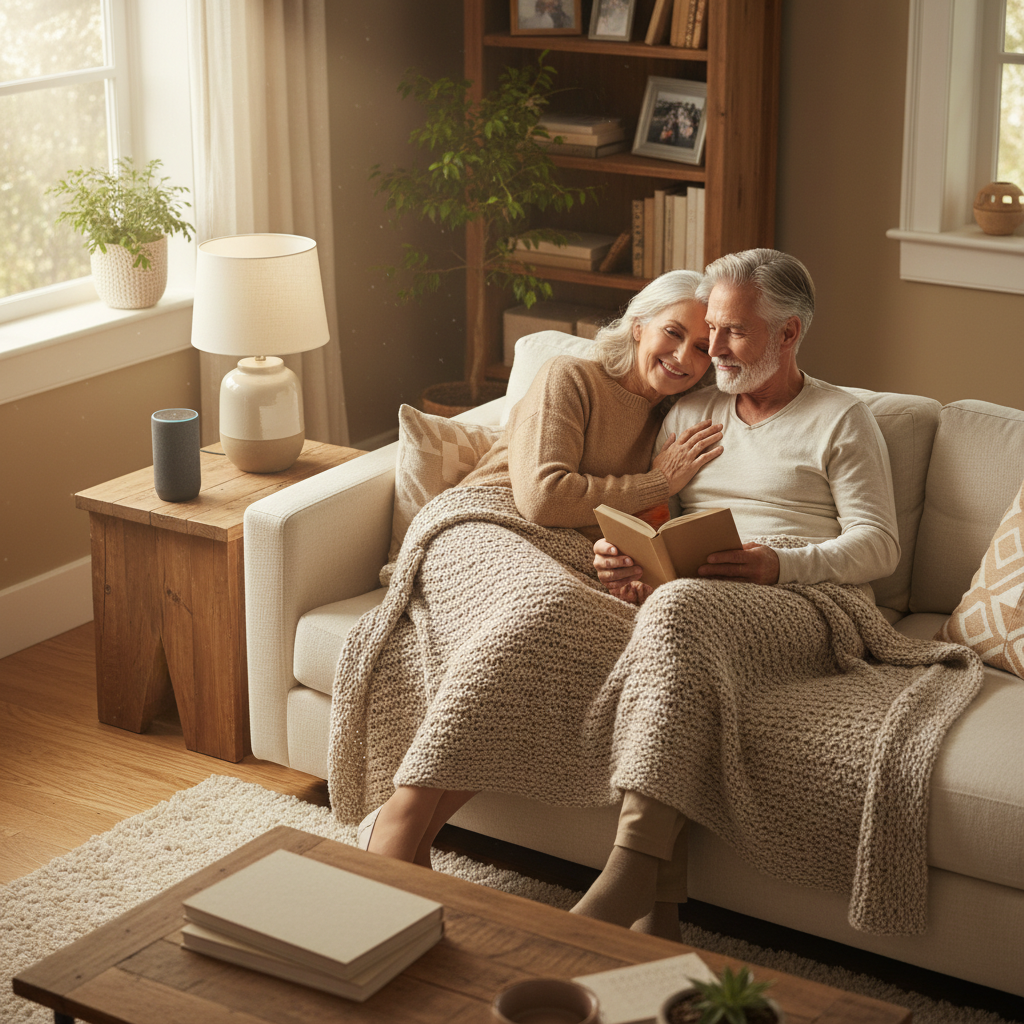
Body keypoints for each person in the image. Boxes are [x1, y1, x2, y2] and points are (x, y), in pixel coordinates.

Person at [572, 248, 900, 936]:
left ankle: (631, 874)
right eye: (711, 327)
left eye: (734, 332)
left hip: (811, 603)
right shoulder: (691, 410)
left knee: (678, 611)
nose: (711, 349)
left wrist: (779, 565)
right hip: (694, 599)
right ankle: (656, 917)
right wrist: (629, 556)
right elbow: (659, 518)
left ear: (789, 335)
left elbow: (880, 547)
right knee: (672, 613)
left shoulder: (841, 418)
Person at [355, 269, 726, 869]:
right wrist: (659, 481)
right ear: (638, 326)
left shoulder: (675, 424)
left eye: (703, 347)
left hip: (565, 557)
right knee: (545, 611)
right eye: (673, 333)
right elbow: (544, 498)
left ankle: (410, 832)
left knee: (591, 645)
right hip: (479, 523)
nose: (684, 356)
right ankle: (402, 816)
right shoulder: (571, 377)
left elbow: (625, 524)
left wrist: (631, 560)